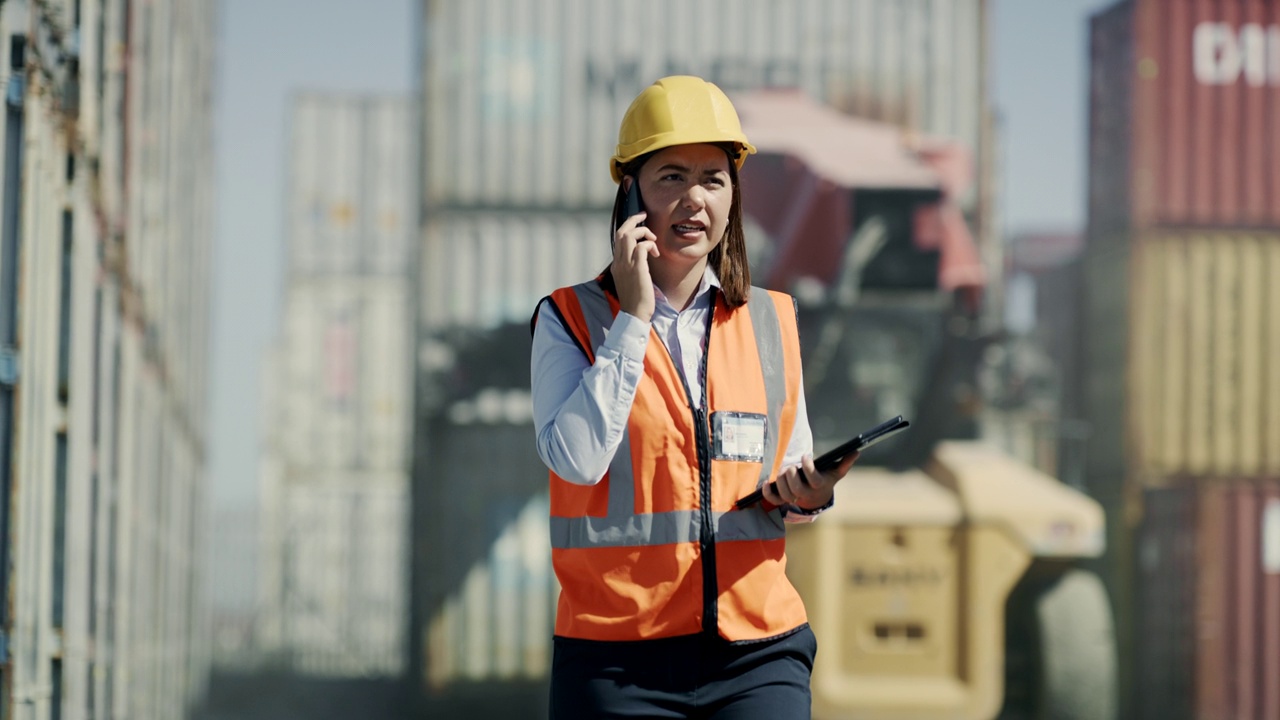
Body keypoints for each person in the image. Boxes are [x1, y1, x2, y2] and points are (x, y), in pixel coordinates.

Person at [530, 75, 859, 720]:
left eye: (713, 178)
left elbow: (786, 481)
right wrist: (634, 319)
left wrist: (810, 496)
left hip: (757, 650)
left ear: (735, 195)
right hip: (617, 658)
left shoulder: (772, 321)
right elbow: (576, 460)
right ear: (630, 194)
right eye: (671, 177)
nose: (693, 200)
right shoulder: (568, 319)